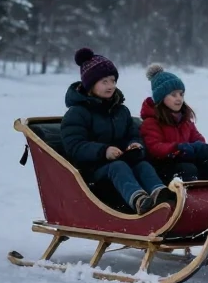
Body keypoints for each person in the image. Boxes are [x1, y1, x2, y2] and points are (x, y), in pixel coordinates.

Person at [60, 47, 174, 214]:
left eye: (113, 81)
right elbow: (75, 146)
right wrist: (103, 151)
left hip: (122, 161)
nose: (110, 86)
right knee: (118, 167)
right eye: (104, 82)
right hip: (92, 171)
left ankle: (161, 194)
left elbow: (132, 133)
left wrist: (134, 144)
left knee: (142, 165)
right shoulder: (77, 113)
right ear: (91, 85)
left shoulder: (121, 110)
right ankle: (140, 200)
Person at [140, 63, 208, 183]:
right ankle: (192, 200)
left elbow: (198, 138)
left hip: (187, 163)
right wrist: (177, 149)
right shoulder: (151, 122)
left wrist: (200, 148)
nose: (179, 98)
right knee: (188, 169)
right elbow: (155, 148)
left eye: (181, 94)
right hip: (164, 169)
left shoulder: (185, 120)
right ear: (161, 97)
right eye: (173, 95)